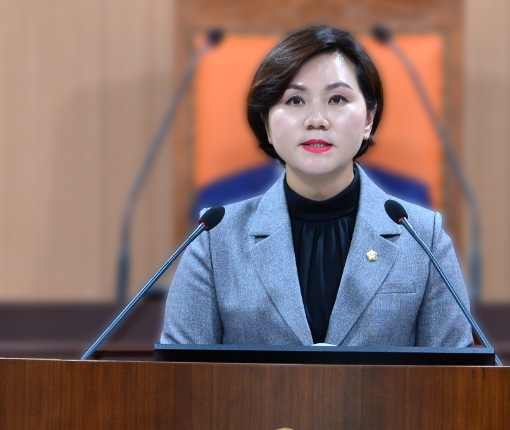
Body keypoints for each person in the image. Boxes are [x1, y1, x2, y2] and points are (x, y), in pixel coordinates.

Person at [161, 25, 472, 347]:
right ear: (267, 124)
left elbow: (455, 370)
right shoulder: (215, 238)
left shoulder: (422, 236)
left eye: (337, 99)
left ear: (368, 120)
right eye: (295, 100)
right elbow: (179, 370)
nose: (316, 119)